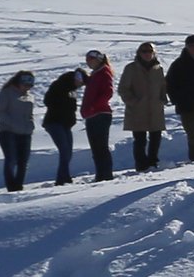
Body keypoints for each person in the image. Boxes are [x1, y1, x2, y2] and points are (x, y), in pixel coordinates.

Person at [118, 42, 167, 172]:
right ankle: (141, 165)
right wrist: (133, 102)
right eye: (144, 51)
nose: (147, 54)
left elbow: (163, 86)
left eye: (149, 51)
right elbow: (123, 88)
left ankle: (153, 162)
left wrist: (162, 98)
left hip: (155, 109)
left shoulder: (158, 69)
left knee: (156, 137)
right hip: (137, 111)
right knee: (140, 140)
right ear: (139, 53)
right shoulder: (131, 68)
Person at [0, 70, 37, 192]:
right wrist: (13, 124)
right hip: (7, 131)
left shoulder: (30, 96)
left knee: (23, 160)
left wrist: (30, 126)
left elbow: (29, 114)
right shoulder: (7, 92)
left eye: (30, 85)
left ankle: (19, 185)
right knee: (11, 158)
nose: (26, 87)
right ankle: (11, 186)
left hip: (25, 132)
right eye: (25, 84)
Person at [42, 68, 83, 184]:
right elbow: (48, 101)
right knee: (64, 150)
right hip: (54, 122)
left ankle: (65, 176)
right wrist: (62, 107)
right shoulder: (60, 85)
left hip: (66, 124)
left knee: (68, 151)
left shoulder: (73, 91)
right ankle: (61, 179)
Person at [80, 50, 116, 181]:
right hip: (92, 115)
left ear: (99, 59)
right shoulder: (95, 75)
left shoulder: (104, 72)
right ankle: (101, 174)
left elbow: (108, 92)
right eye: (87, 59)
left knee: (101, 147)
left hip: (100, 114)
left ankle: (105, 175)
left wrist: (94, 106)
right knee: (96, 148)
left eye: (91, 59)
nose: (89, 62)